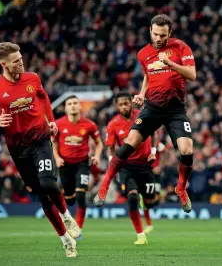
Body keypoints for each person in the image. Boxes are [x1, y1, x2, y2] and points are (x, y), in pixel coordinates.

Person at [0, 42, 79, 257]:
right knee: (43, 197)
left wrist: (51, 121)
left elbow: (43, 97)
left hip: (40, 139)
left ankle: (67, 216)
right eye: (16, 61)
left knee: (48, 182)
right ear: (3, 64)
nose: (21, 63)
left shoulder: (32, 78)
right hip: (18, 149)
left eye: (21, 58)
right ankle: (66, 240)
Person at [94, 14, 196, 213]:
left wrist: (170, 64)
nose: (159, 39)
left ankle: (181, 188)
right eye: (156, 34)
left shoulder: (181, 47)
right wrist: (142, 93)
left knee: (187, 150)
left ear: (170, 33)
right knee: (129, 144)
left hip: (175, 109)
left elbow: (192, 74)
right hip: (152, 107)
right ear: (150, 30)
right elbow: (148, 76)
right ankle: (105, 184)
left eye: (163, 35)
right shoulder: (143, 54)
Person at [105, 92, 158, 245]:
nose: (123, 106)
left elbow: (153, 133)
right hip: (127, 166)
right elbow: (110, 147)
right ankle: (141, 235)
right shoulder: (113, 124)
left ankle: (145, 201)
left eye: (126, 103)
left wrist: (153, 152)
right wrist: (112, 163)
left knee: (150, 202)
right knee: (132, 196)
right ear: (116, 106)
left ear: (131, 103)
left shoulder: (142, 116)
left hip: (144, 165)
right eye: (120, 104)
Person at [52, 95, 103, 238]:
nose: (73, 105)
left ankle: (78, 229)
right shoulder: (58, 124)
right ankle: (69, 216)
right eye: (70, 104)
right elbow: (53, 142)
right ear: (65, 108)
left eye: (75, 103)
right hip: (65, 164)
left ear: (80, 106)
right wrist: (56, 157)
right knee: (70, 199)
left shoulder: (89, 125)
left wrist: (97, 156)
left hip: (83, 163)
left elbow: (99, 143)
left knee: (81, 194)